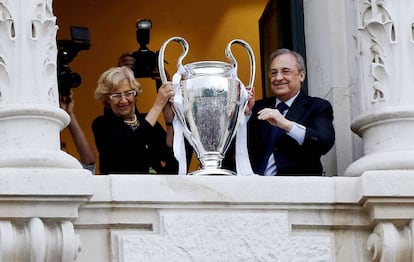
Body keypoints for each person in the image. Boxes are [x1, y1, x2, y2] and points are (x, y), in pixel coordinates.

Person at [247, 48, 335, 176]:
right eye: (273, 73)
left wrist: (286, 124)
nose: (278, 78)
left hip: (298, 189)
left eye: (285, 71)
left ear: (301, 75)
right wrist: (243, 115)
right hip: (254, 189)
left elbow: (323, 143)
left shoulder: (317, 106)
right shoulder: (256, 108)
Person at [92, 66, 177, 175]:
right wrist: (157, 106)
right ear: (107, 99)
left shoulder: (145, 120)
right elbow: (130, 148)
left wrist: (169, 121)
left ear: (135, 95)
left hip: (156, 186)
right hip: (124, 189)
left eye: (128, 93)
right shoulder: (102, 124)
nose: (123, 100)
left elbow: (168, 154)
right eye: (116, 95)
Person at [60, 93, 96, 174]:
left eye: (63, 146)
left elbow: (89, 163)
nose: (65, 151)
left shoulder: (73, 173)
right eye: (60, 147)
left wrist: (69, 113)